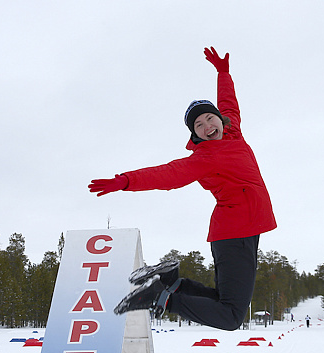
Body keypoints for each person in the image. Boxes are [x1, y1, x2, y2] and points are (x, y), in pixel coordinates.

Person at [88, 47, 276, 331]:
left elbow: (229, 104)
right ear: (195, 134)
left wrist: (223, 74)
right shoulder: (205, 158)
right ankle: (161, 298)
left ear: (219, 120)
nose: (207, 125)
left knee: (223, 302)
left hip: (243, 230)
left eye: (209, 119)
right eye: (198, 125)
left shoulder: (233, 130)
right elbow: (168, 174)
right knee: (231, 316)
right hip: (235, 231)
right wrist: (126, 180)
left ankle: (171, 282)